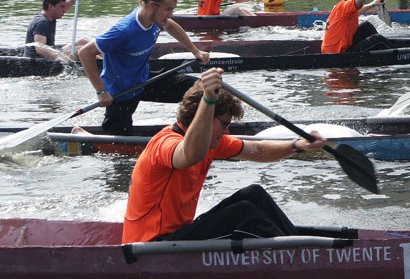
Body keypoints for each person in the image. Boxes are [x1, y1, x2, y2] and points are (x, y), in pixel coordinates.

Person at [121, 68, 327, 244]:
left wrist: (297, 145)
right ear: (201, 115)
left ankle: (296, 243)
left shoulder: (213, 143)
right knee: (243, 213)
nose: (227, 132)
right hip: (152, 244)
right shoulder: (164, 144)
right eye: (225, 124)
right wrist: (208, 99)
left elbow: (258, 150)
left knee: (253, 194)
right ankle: (296, 257)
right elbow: (190, 154)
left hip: (180, 234)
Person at [78, 0, 212, 135]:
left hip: (145, 80)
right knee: (117, 144)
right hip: (121, 90)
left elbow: (170, 26)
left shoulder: (157, 19)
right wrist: (101, 91)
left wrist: (195, 51)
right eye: (168, 9)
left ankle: (191, 133)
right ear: (152, 6)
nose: (170, 15)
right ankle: (79, 133)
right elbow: (85, 53)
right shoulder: (124, 30)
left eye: (172, 10)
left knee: (201, 90)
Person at [23, 0, 89, 63]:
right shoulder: (42, 22)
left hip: (51, 54)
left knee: (84, 41)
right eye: (62, 7)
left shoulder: (50, 16)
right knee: (81, 50)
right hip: (38, 62)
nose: (65, 10)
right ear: (51, 6)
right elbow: (40, 48)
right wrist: (66, 59)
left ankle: (108, 58)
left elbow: (71, 1)